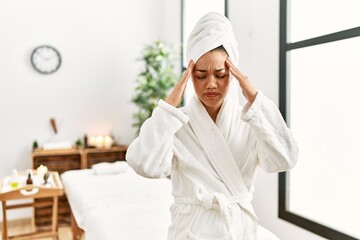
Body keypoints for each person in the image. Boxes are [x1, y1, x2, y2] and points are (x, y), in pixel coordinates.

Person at [126, 12, 298, 240]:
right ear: (188, 75)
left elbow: (285, 158)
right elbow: (143, 164)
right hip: (191, 231)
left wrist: (256, 99)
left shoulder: (251, 120)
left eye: (220, 74)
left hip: (238, 231)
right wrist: (168, 107)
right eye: (200, 75)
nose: (210, 84)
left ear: (234, 74)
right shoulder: (175, 122)